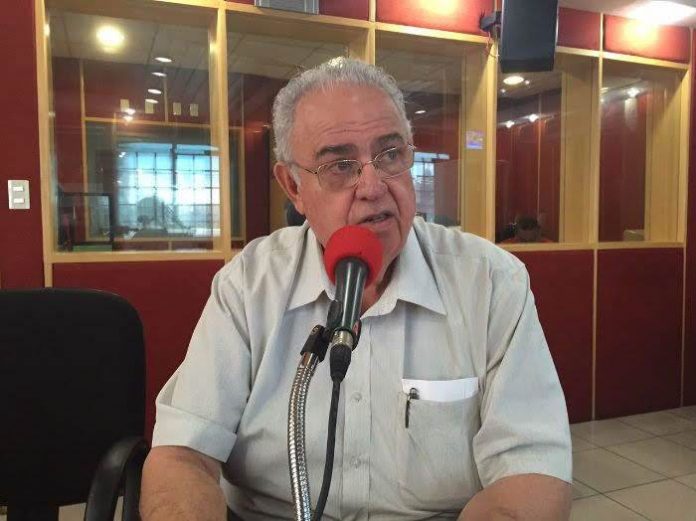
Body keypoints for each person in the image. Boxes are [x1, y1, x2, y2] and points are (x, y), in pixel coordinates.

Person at [141, 58, 572, 521]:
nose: (373, 186)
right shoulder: (248, 285)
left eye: (390, 155)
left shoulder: (491, 281)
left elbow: (532, 474)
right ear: (293, 187)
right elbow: (182, 456)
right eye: (340, 165)